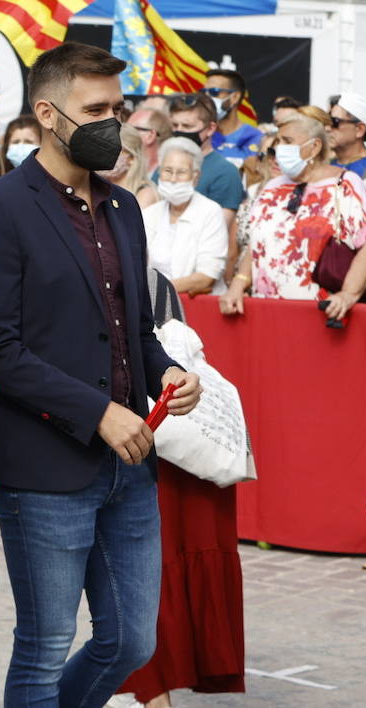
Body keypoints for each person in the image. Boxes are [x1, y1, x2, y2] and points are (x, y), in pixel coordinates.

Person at [0, 42, 201, 707]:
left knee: (131, 642)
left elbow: (137, 331)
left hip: (129, 466)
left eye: (116, 108)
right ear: (46, 112)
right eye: (95, 108)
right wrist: (96, 411)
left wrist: (172, 373)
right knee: (43, 645)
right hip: (44, 468)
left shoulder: (123, 208)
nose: (111, 123)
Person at [117, 272, 246, 708]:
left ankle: (152, 693)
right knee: (152, 577)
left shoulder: (148, 278)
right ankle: (152, 690)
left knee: (145, 575)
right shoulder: (152, 276)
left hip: (156, 446)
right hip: (173, 448)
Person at [220, 106, 366, 322]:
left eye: (287, 141)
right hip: (267, 310)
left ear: (315, 146)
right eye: (278, 140)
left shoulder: (343, 184)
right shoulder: (272, 187)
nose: (280, 148)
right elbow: (259, 243)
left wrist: (349, 294)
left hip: (320, 312)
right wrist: (238, 283)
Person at [143, 138, 229, 297]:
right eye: (168, 171)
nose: (173, 179)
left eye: (181, 172)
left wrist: (154, 291)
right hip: (154, 303)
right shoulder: (149, 214)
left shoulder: (210, 212)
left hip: (196, 305)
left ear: (195, 177)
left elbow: (206, 276)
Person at [168, 93, 245, 231]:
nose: (179, 131)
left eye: (187, 126)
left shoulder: (225, 172)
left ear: (210, 128)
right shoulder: (165, 164)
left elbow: (217, 230)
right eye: (175, 125)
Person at [204, 70, 262, 165]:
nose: (207, 98)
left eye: (214, 92)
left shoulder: (255, 138)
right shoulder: (202, 136)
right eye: (204, 92)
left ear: (235, 97)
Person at [103, 124, 160, 209]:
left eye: (114, 150)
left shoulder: (145, 194)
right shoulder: (99, 188)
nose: (105, 155)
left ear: (132, 158)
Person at [329, 92, 366, 178]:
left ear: (359, 129)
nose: (327, 128)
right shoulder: (324, 165)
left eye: (335, 122)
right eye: (326, 121)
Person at [127, 107, 173, 176]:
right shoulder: (120, 173)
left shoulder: (170, 179)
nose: (123, 133)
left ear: (150, 136)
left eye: (130, 129)